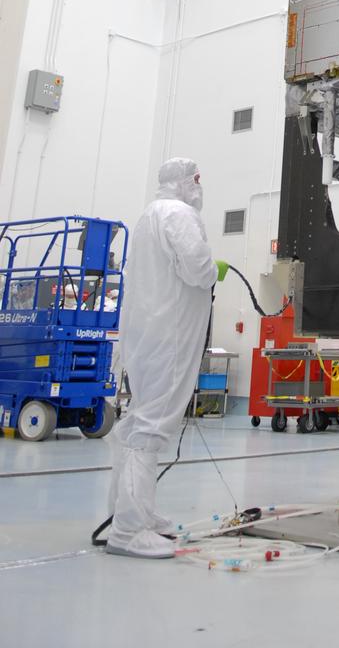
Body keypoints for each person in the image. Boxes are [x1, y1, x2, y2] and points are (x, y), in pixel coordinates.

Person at [105, 158, 228, 559]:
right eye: (196, 179)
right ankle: (127, 530)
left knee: (136, 423)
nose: (199, 185)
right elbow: (196, 269)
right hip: (169, 337)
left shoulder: (149, 216)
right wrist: (214, 270)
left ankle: (135, 512)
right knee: (151, 429)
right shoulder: (179, 214)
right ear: (182, 183)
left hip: (146, 335)